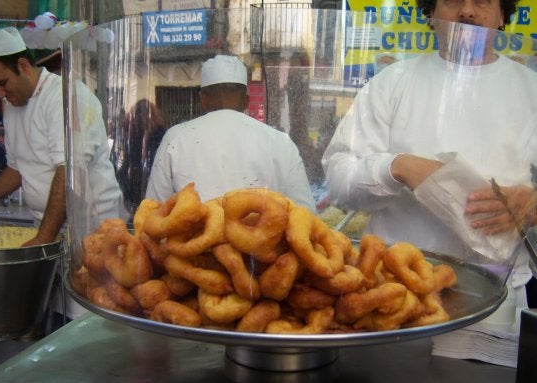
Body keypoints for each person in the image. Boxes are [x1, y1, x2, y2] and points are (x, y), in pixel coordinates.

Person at [322, 0, 536, 363]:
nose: (467, 12)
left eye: (482, 1)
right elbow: (338, 181)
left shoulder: (530, 89)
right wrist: (397, 167)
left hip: (496, 294)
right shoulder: (391, 84)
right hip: (392, 294)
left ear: (502, 16)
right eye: (453, 0)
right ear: (431, 13)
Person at [0, 27, 126, 321]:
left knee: (88, 316)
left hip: (90, 231)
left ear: (23, 65)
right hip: (49, 231)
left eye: (2, 83)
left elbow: (69, 172)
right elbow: (16, 170)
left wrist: (43, 239)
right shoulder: (14, 107)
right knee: (54, 314)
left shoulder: (66, 96)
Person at [146, 54, 316, 211]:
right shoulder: (280, 142)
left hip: (192, 242)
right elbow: (305, 216)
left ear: (203, 99)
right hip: (261, 243)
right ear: (247, 101)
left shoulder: (175, 138)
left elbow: (153, 212)